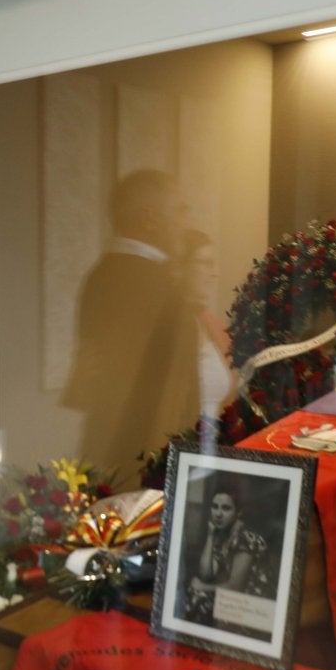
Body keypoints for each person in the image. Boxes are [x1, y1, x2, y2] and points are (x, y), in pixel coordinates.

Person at [62, 169, 205, 475]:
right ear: (149, 218)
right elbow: (143, 393)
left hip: (120, 459)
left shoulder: (104, 275)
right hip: (143, 466)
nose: (186, 224)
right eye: (180, 211)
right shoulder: (146, 283)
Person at [186, 484, 272, 617]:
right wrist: (210, 535)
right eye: (215, 507)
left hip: (254, 607)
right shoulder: (223, 536)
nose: (218, 514)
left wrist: (202, 587)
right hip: (235, 602)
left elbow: (235, 587)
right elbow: (205, 575)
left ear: (239, 512)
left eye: (226, 508)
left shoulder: (245, 539)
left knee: (198, 599)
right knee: (193, 595)